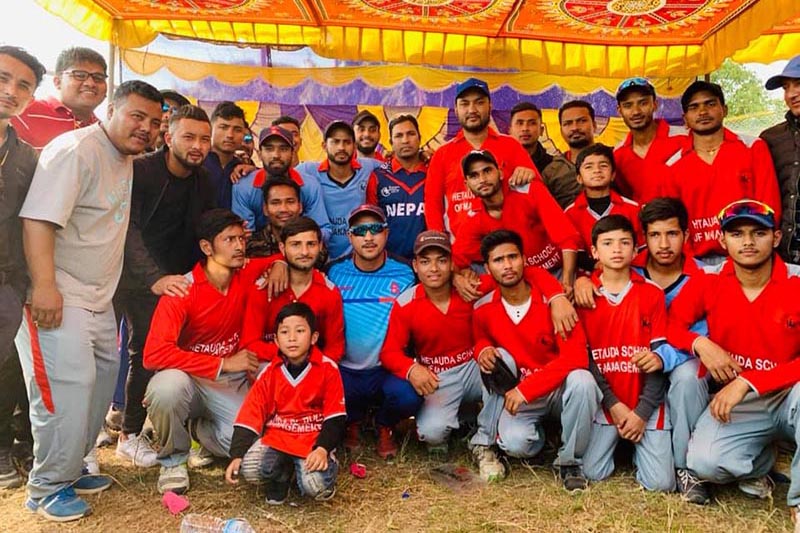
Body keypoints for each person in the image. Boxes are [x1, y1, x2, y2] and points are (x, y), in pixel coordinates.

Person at [16, 80, 163, 522]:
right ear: (111, 110)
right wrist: (44, 287)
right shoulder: (75, 150)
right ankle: (45, 487)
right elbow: (38, 221)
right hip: (58, 294)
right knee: (64, 392)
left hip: (99, 297)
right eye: (137, 116)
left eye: (155, 122)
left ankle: (72, 467)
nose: (146, 128)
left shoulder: (124, 158)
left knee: (99, 387)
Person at [667, 199, 800, 523]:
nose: (748, 242)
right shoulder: (709, 279)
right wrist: (700, 343)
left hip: (790, 392)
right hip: (741, 403)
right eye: (737, 234)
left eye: (759, 233)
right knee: (705, 462)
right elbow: (670, 326)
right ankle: (766, 462)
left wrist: (748, 381)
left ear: (777, 237)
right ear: (723, 240)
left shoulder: (797, 281)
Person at [574, 197, 711, 503]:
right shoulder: (625, 269)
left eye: (672, 234)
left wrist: (667, 356)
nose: (663, 243)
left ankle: (683, 466)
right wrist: (583, 280)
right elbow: (608, 273)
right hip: (621, 374)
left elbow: (677, 341)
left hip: (674, 362)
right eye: (654, 235)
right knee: (594, 470)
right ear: (644, 241)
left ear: (686, 236)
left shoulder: (702, 277)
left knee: (688, 377)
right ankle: (625, 442)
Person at [114, 104, 216, 469]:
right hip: (133, 277)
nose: (198, 146)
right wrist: (153, 278)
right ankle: (128, 434)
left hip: (179, 279)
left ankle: (174, 431)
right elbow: (129, 229)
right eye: (189, 137)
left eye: (205, 139)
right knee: (143, 351)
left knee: (176, 352)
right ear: (167, 136)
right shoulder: (141, 171)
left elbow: (207, 228)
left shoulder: (205, 179)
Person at [142, 209, 271, 495]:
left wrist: (280, 267)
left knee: (245, 445)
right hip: (190, 380)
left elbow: (277, 260)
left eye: (241, 238)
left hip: (227, 382)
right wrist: (222, 362)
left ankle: (199, 431)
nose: (239, 246)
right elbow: (153, 354)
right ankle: (173, 461)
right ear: (206, 247)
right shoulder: (182, 289)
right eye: (229, 240)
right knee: (165, 387)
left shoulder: (246, 274)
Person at [470, 230, 600, 490]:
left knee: (583, 381)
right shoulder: (483, 308)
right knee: (517, 444)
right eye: (498, 260)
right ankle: (547, 438)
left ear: (525, 259)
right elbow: (479, 337)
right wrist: (482, 349)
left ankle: (569, 461)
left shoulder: (555, 303)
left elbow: (575, 357)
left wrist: (525, 389)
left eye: (512, 257)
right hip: (524, 393)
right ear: (487, 268)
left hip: (557, 388)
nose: (507, 266)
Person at [578, 215, 674, 492]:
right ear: (595, 252)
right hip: (608, 404)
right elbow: (586, 360)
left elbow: (658, 359)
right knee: (593, 473)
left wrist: (642, 413)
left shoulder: (652, 294)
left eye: (624, 243)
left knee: (660, 484)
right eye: (607, 243)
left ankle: (639, 442)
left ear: (635, 250)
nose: (617, 249)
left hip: (645, 403)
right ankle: (620, 445)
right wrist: (614, 404)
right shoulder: (585, 297)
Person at [225, 302, 346, 504]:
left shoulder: (328, 369)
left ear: (314, 337)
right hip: (279, 438)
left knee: (314, 486)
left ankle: (324, 467)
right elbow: (251, 413)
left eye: (300, 331)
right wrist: (236, 454)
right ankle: (282, 474)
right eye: (284, 332)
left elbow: (336, 417)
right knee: (251, 469)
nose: (292, 338)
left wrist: (323, 448)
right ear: (276, 340)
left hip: (311, 440)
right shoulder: (270, 372)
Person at [326, 205, 420, 459]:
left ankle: (384, 424)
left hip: (387, 368)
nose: (369, 237)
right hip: (345, 369)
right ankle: (353, 421)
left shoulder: (406, 272)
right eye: (360, 231)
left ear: (387, 234)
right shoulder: (334, 271)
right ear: (349, 237)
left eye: (376, 229)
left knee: (409, 396)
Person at [380, 231, 481, 454]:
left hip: (473, 366)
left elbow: (508, 279)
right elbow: (388, 352)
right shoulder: (407, 303)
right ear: (415, 266)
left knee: (506, 366)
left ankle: (486, 434)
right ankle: (462, 416)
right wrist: (412, 368)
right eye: (425, 262)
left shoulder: (467, 291)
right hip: (438, 375)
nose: (433, 269)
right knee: (432, 434)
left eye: (441, 261)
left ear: (452, 263)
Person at [664, 81, 781, 264]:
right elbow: (671, 221)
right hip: (697, 262)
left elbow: (770, 205)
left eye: (710, 104)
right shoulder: (673, 165)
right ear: (685, 118)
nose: (703, 112)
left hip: (750, 256)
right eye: (694, 107)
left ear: (724, 110)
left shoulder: (753, 148)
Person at [0, 46, 45, 490]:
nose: (10, 91)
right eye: (2, 78)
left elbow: (35, 224)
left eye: (22, 86)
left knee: (6, 368)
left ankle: (3, 451)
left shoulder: (29, 159)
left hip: (8, 284)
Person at [452, 149, 580, 297]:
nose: (482, 179)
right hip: (518, 278)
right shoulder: (474, 217)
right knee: (471, 275)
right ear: (467, 185)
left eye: (487, 171)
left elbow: (568, 238)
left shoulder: (530, 190)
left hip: (553, 270)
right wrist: (457, 278)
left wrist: (567, 283)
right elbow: (456, 259)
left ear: (500, 173)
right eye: (474, 176)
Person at [424, 77, 537, 236]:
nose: (472, 110)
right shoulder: (442, 154)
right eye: (465, 104)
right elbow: (432, 206)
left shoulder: (511, 146)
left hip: (510, 249)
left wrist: (529, 177)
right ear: (455, 110)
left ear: (490, 106)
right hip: (463, 254)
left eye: (479, 102)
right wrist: (439, 244)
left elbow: (538, 191)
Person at [241, 217, 344, 362]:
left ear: (320, 246)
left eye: (311, 244)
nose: (304, 252)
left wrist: (312, 365)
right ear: (282, 248)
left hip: (312, 368)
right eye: (295, 245)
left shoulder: (329, 292)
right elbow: (249, 344)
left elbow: (335, 347)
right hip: (270, 364)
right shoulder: (263, 288)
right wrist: (292, 355)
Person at [296, 121, 380, 261]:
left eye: (347, 142)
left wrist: (423, 157)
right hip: (320, 259)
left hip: (357, 260)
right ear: (324, 145)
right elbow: (278, 177)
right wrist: (248, 169)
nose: (341, 147)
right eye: (335, 142)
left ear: (354, 146)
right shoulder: (307, 171)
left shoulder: (369, 167)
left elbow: (397, 168)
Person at [231, 125, 329, 240]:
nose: (276, 155)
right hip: (260, 251)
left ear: (293, 153)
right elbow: (245, 234)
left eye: (283, 149)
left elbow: (322, 229)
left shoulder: (309, 185)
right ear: (259, 154)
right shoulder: (244, 186)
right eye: (269, 149)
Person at [11, 47, 107, 151]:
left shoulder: (105, 132)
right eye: (80, 75)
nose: (90, 83)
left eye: (98, 78)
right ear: (57, 82)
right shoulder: (23, 112)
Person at [612, 78, 686, 204]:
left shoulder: (685, 137)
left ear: (655, 104)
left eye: (643, 103)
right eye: (628, 105)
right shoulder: (618, 154)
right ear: (619, 111)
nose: (636, 111)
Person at [564, 144, 641, 260]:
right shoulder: (570, 213)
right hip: (587, 275)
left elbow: (641, 249)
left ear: (613, 175)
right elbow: (575, 255)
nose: (597, 171)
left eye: (603, 165)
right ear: (579, 178)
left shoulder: (633, 209)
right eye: (589, 167)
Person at [366, 114, 427, 260]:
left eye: (411, 134)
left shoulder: (433, 171)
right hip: (390, 262)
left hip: (428, 261)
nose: (405, 140)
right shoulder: (378, 176)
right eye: (399, 136)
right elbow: (372, 223)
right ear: (390, 142)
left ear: (420, 137)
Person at [760, 55, 800, 264]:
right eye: (786, 87)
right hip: (785, 260)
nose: (791, 94)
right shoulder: (770, 139)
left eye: (798, 84)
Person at [508, 101, 579, 208]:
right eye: (520, 123)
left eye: (532, 123)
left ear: (541, 130)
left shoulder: (555, 166)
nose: (525, 128)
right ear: (510, 130)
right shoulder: (501, 163)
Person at [245, 177, 303, 258]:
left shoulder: (312, 243)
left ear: (300, 207)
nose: (283, 209)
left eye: (290, 202)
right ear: (265, 209)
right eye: (275, 203)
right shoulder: (250, 246)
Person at [204, 101, 247, 209]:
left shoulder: (244, 170)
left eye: (237, 130)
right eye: (223, 127)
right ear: (210, 130)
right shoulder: (196, 164)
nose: (230, 135)